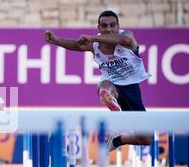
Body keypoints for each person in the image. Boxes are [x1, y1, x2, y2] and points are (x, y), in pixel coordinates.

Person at [44, 10, 152, 150]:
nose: (108, 29)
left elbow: (124, 39)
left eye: (112, 25)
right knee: (105, 87)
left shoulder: (127, 37)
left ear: (118, 27)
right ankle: (109, 98)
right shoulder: (95, 46)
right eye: (104, 26)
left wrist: (93, 38)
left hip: (132, 88)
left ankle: (117, 141)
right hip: (111, 83)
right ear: (99, 28)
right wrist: (56, 40)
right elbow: (76, 45)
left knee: (145, 139)